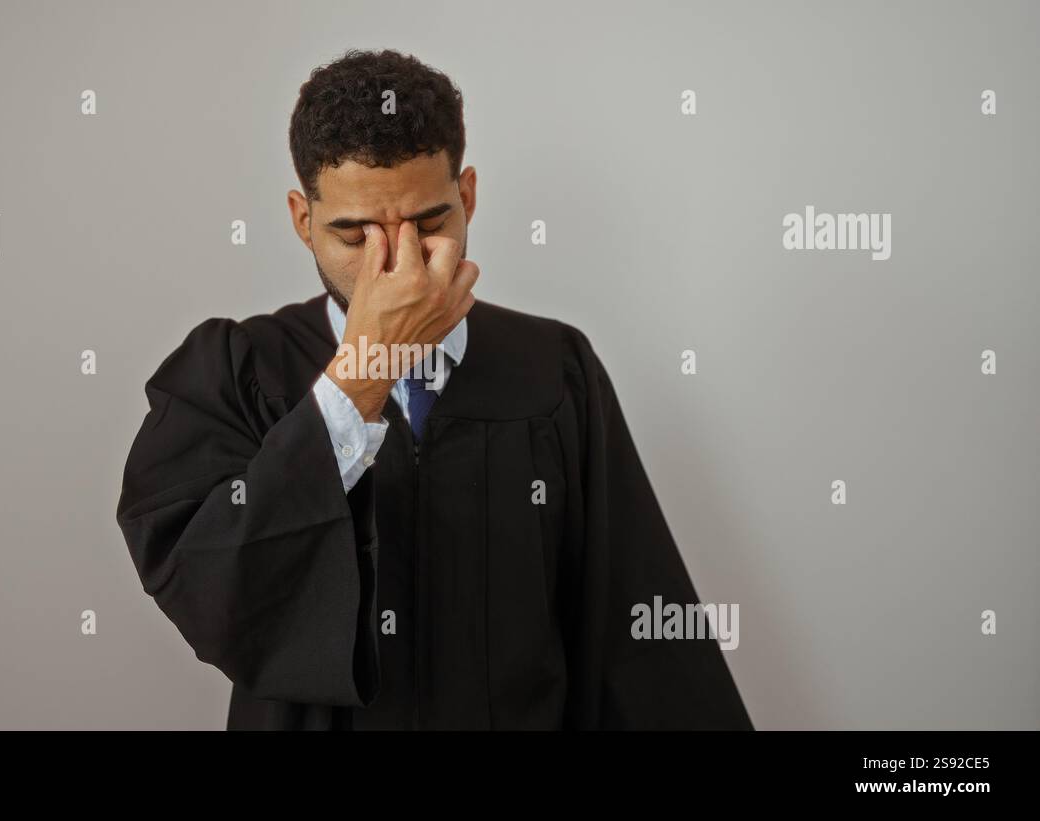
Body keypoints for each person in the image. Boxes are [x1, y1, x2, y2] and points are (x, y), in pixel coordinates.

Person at [116, 48, 753, 730]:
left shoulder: (553, 370)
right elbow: (209, 592)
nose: (398, 264)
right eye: (354, 233)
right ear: (302, 218)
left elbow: (633, 632)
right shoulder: (240, 371)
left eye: (428, 223)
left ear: (468, 195)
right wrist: (362, 371)